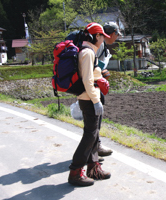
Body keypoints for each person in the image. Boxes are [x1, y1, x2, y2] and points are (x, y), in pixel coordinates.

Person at [68, 22, 111, 186]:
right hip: (89, 99)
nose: (103, 40)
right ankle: (75, 172)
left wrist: (99, 78)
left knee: (93, 135)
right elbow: (87, 80)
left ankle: (94, 168)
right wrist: (96, 101)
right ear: (96, 36)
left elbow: (89, 77)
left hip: (89, 97)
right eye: (102, 37)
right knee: (89, 136)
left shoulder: (87, 51)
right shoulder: (87, 53)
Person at [96, 22, 122, 157]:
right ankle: (93, 152)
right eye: (117, 35)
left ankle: (94, 149)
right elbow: (89, 65)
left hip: (92, 86)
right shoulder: (100, 45)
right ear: (112, 34)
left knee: (94, 119)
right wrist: (99, 74)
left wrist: (102, 70)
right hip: (91, 87)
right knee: (94, 119)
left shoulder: (100, 45)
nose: (117, 38)